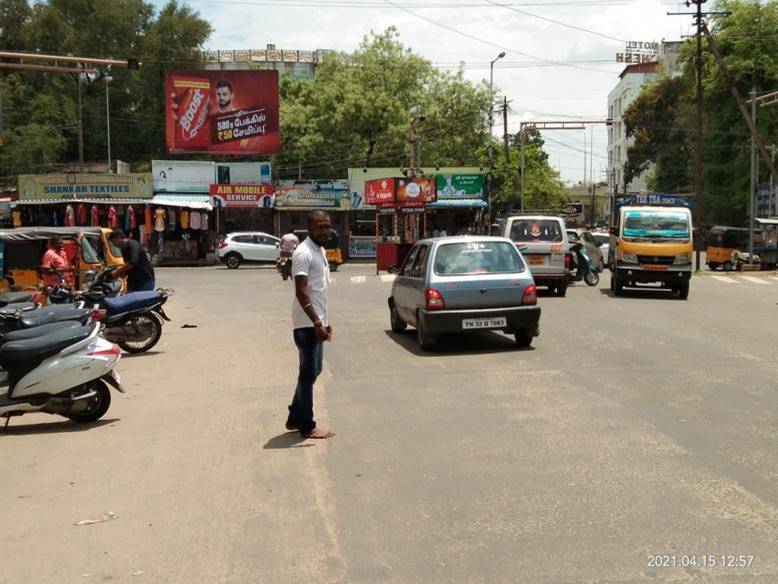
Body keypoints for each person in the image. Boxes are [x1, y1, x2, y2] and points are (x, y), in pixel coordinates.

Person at [286, 210, 335, 440]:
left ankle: (295, 415)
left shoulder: (321, 251)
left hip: (317, 322)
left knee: (314, 370)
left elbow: (320, 290)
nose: (324, 231)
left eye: (327, 226)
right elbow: (301, 291)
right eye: (320, 227)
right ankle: (307, 425)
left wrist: (325, 321)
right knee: (308, 374)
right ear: (309, 227)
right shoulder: (303, 253)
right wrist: (316, 321)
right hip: (306, 325)